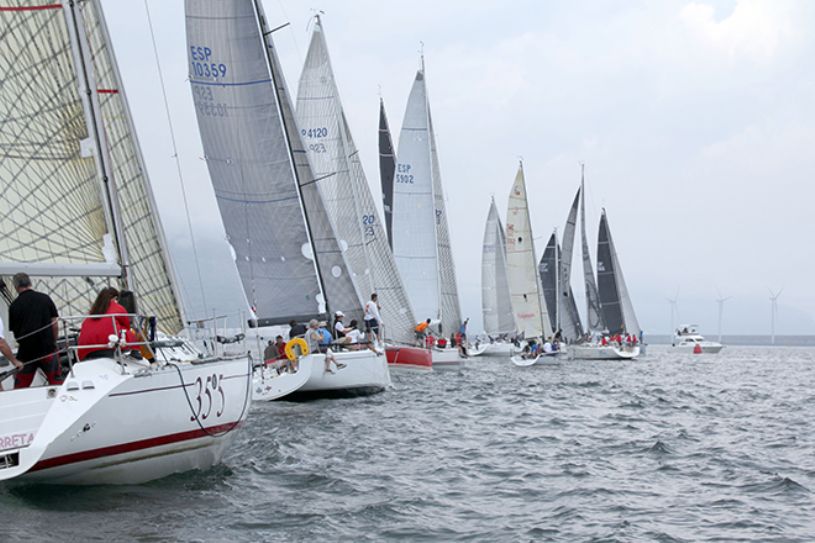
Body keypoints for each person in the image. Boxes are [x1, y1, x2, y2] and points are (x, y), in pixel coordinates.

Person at [8, 273, 61, 388]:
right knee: (57, 384)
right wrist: (54, 342)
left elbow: (15, 332)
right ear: (30, 283)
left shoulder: (14, 306)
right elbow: (54, 324)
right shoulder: (45, 298)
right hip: (47, 349)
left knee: (20, 387)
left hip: (26, 353)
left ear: (16, 286)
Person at [77, 287, 139, 361]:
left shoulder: (91, 314)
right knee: (133, 334)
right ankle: (142, 356)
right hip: (109, 346)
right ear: (115, 298)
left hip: (86, 350)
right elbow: (126, 324)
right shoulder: (117, 307)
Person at [117, 290, 154, 363]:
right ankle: (148, 358)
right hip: (124, 339)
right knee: (139, 334)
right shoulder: (134, 331)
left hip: (113, 343)